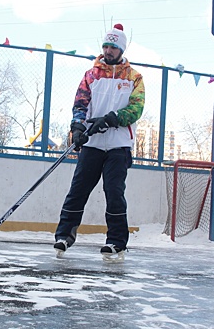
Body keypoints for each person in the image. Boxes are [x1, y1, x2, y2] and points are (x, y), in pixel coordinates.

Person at [54, 23, 145, 261]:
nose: (108, 50)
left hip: (119, 144)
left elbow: (136, 108)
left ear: (121, 49)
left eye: (113, 46)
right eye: (105, 45)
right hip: (92, 143)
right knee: (78, 189)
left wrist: (113, 118)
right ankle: (64, 235)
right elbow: (80, 103)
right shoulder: (91, 74)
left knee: (114, 191)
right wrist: (77, 126)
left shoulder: (134, 78)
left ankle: (116, 241)